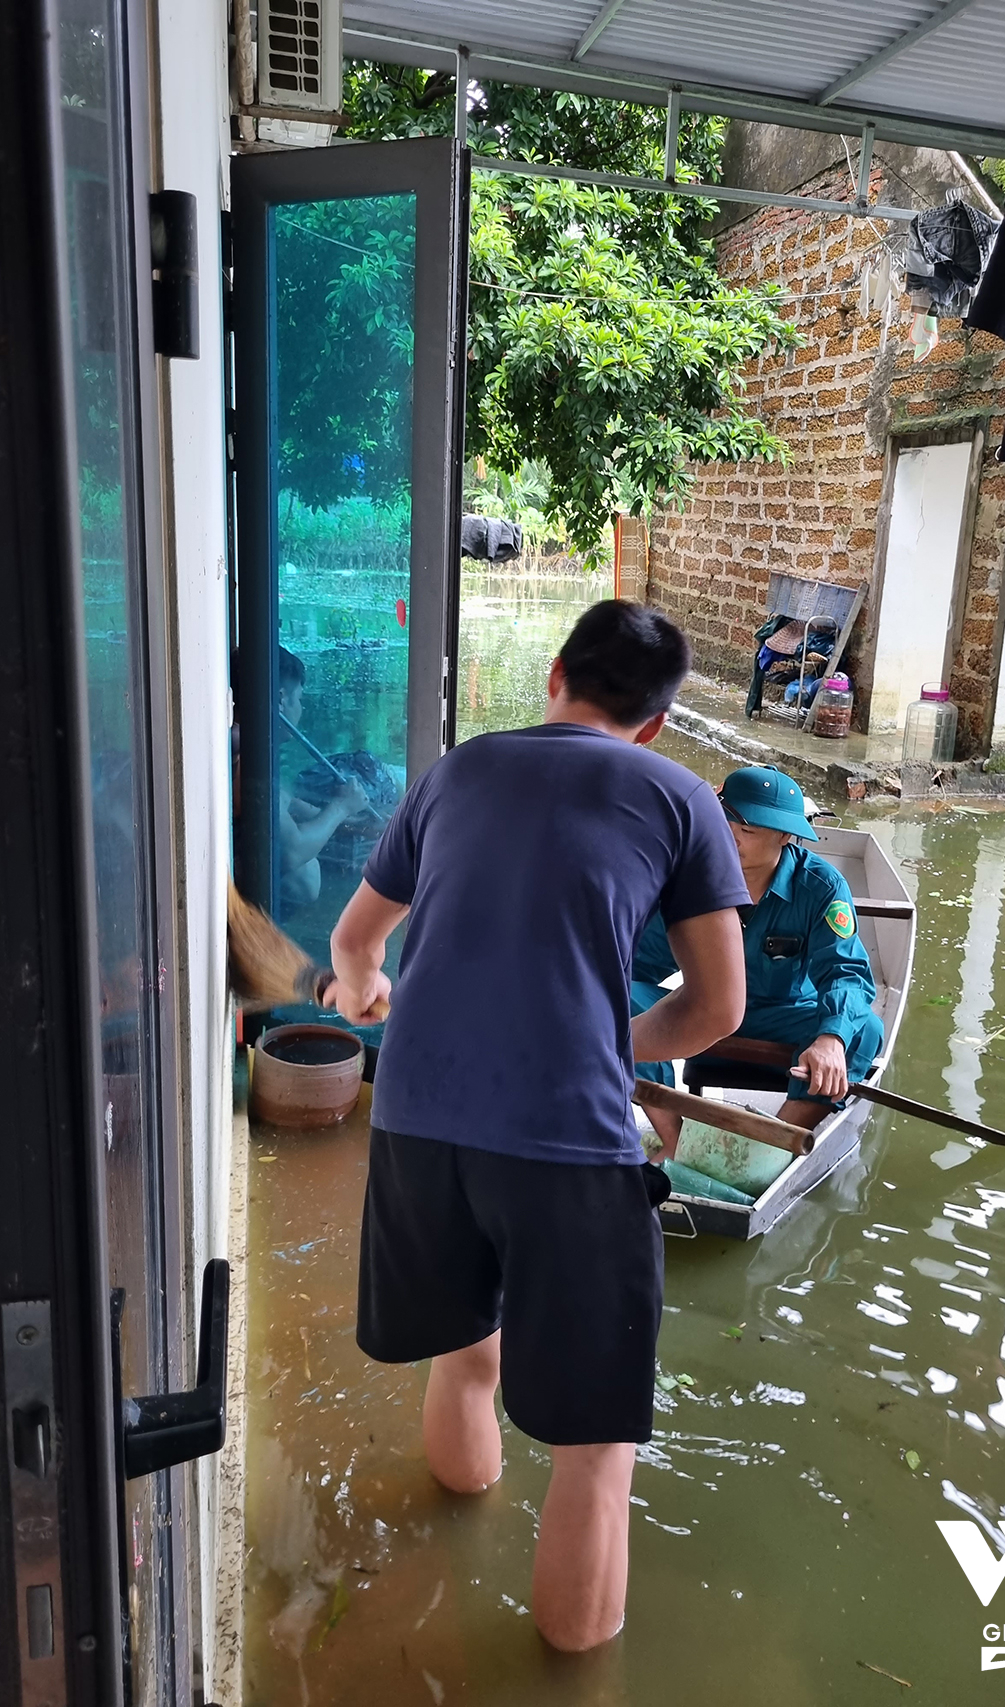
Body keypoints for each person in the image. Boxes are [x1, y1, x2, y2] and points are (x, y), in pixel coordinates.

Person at [326, 601, 748, 1652]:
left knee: (466, 1355)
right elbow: (715, 1011)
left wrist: (364, 986)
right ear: (654, 721)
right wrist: (614, 1045)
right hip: (566, 1144)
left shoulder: (455, 772)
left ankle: (455, 1525)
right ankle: (570, 1668)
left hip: (415, 1121)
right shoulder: (680, 797)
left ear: (553, 673)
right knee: (595, 1446)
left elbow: (353, 943)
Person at [633, 764, 882, 1136]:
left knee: (862, 1029)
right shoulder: (691, 879)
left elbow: (845, 972)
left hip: (782, 1016)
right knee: (611, 999)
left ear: (784, 836)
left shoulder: (820, 887)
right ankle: (672, 1137)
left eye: (747, 830)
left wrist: (830, 1039)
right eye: (723, 823)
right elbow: (639, 965)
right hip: (703, 1009)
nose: (730, 838)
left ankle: (773, 1145)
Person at [277, 647, 367, 908]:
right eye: (300, 700)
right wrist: (340, 807)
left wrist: (349, 818)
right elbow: (291, 852)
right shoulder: (244, 757)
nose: (301, 710)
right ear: (281, 699)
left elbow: (283, 801)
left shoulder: (254, 751)